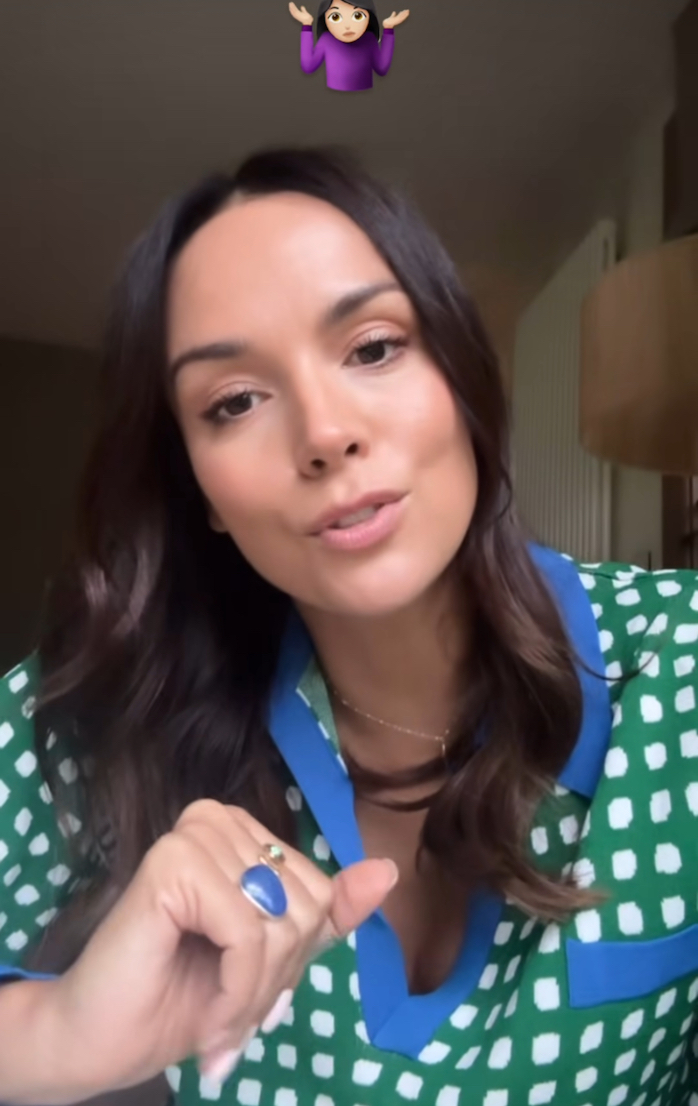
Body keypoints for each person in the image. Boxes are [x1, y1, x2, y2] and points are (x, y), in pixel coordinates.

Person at [0, 147, 697, 1106]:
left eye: (373, 348)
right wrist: (56, 1038)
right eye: (234, 401)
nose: (325, 434)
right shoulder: (109, 706)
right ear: (199, 489)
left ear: (461, 376)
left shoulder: (678, 662)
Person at [289, 0, 409, 92]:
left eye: (357, 15)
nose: (347, 26)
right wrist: (306, 24)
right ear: (324, 20)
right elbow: (308, 67)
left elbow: (382, 69)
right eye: (335, 17)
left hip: (367, 98)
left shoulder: (369, 39)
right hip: (332, 98)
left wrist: (388, 28)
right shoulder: (327, 40)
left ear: (369, 17)